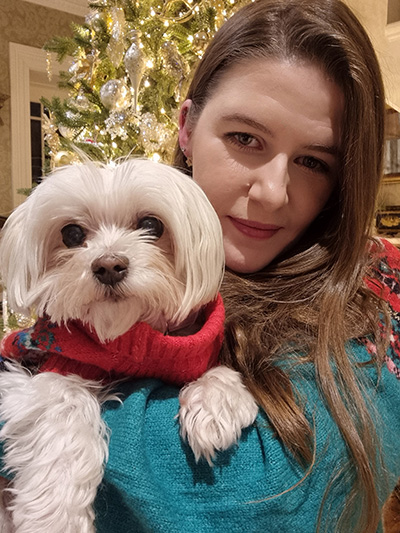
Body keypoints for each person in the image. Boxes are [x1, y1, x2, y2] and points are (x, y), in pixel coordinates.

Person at [3, 0, 400, 532]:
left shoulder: (375, 299)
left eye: (313, 162)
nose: (272, 192)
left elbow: (265, 501)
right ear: (186, 128)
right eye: (245, 138)